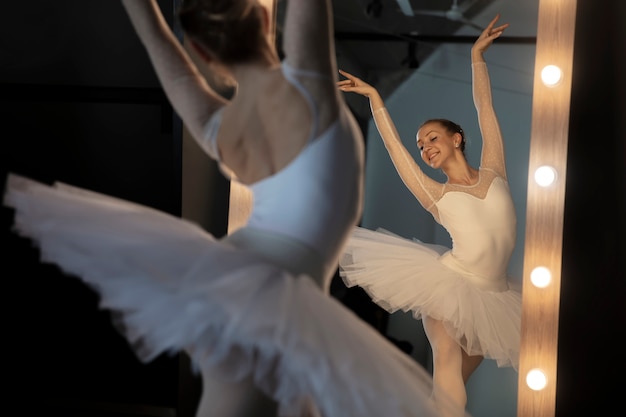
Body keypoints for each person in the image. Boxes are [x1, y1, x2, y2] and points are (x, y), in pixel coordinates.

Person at [3, 1, 469, 417]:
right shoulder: (310, 86)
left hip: (240, 280)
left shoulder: (218, 126)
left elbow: (159, 44)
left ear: (204, 55)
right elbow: (159, 30)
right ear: (268, 19)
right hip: (263, 291)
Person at [337, 14, 522, 417]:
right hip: (448, 288)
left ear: (457, 138)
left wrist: (477, 57)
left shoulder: (495, 169)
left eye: (432, 138)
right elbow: (394, 151)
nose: (425, 148)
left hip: (493, 298)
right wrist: (375, 100)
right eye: (421, 146)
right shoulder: (434, 194)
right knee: (448, 380)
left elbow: (484, 107)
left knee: (445, 398)